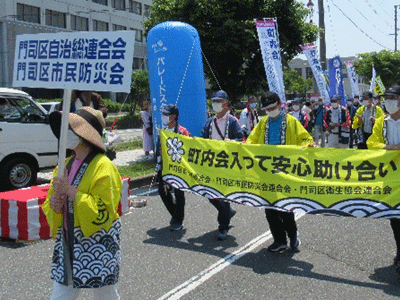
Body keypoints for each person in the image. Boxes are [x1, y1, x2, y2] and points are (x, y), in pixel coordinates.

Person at [42, 106, 122, 300]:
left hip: (97, 243)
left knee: (105, 294)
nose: (65, 134)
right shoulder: (65, 164)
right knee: (60, 295)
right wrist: (54, 203)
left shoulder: (104, 166)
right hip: (69, 241)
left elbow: (103, 210)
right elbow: (51, 203)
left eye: (70, 128)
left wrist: (70, 191)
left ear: (84, 134)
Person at [247, 91, 314, 252]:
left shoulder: (291, 121)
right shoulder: (263, 123)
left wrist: (308, 147)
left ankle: (293, 235)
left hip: (285, 172)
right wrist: (240, 146)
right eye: (267, 109)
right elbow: (251, 141)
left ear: (280, 104)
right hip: (266, 171)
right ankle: (279, 240)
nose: (270, 111)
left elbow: (306, 139)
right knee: (270, 209)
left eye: (272, 107)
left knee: (285, 208)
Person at [200, 90, 244, 240]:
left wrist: (231, 142)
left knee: (223, 196)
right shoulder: (209, 121)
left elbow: (241, 139)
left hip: (226, 165)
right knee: (210, 194)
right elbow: (202, 138)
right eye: (214, 101)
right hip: (212, 165)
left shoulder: (232, 121)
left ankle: (223, 226)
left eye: (219, 101)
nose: (216, 104)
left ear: (226, 103)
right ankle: (228, 212)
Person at [367, 85, 400, 274]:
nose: (389, 101)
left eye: (393, 97)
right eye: (386, 97)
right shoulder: (382, 121)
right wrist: (389, 148)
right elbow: (372, 143)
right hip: (390, 179)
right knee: (395, 219)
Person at [156, 104, 190, 231]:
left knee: (179, 193)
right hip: (164, 167)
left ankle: (178, 219)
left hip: (178, 167)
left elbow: (188, 149)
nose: (163, 117)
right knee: (162, 190)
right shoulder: (163, 132)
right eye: (163, 114)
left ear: (174, 116)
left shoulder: (183, 132)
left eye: (166, 114)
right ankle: (176, 214)